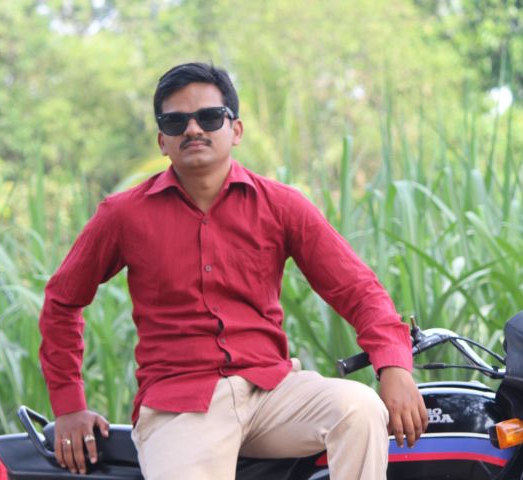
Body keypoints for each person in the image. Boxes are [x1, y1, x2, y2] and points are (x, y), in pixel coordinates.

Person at [39, 62, 427, 479]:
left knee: (360, 408)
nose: (193, 129)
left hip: (272, 392)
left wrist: (394, 367)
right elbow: (62, 301)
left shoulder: (281, 206)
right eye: (176, 122)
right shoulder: (124, 215)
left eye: (209, 117)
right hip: (181, 407)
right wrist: (70, 406)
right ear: (162, 141)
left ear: (235, 129)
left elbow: (358, 289)